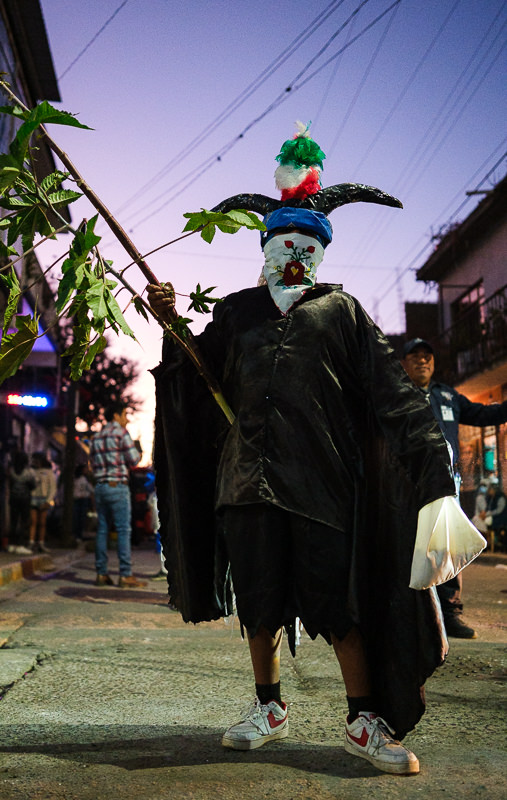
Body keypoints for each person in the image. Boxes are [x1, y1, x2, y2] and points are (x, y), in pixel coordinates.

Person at [147, 124, 473, 776]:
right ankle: (267, 705)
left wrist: (435, 481)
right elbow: (192, 375)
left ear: (318, 252)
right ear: (264, 246)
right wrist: (171, 322)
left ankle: (362, 721)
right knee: (258, 603)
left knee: (337, 604)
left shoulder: (342, 313)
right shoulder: (236, 314)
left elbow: (394, 400)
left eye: (304, 243)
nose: (292, 252)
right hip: (243, 482)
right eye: (281, 241)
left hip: (319, 482)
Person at [401, 337, 507, 637]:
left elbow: (484, 414)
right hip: (407, 484)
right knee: (409, 545)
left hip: (447, 484)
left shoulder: (447, 395)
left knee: (447, 547)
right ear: (404, 363)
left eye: (427, 356)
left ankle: (450, 614)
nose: (422, 361)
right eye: (415, 356)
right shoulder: (394, 394)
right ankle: (409, 616)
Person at [89, 401, 146, 587]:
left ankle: (101, 573)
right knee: (123, 530)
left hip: (100, 487)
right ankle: (125, 575)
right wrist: (139, 451)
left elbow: (93, 465)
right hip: (118, 486)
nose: (126, 419)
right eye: (124, 415)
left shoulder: (96, 437)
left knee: (102, 529)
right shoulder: (121, 433)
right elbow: (134, 460)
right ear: (115, 415)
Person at [7, 451, 36, 555]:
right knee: (24, 522)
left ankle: (11, 544)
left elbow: (10, 484)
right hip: (25, 499)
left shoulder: (11, 471)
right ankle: (21, 544)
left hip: (13, 498)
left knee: (13, 522)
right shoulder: (29, 472)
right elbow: (33, 486)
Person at [28, 452, 57, 553]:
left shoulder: (48, 472)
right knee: (33, 521)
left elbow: (52, 487)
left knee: (42, 522)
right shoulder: (31, 471)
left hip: (43, 498)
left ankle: (41, 543)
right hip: (33, 498)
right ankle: (31, 542)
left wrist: (48, 500)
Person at [72, 463, 93, 544]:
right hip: (77, 499)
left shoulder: (85, 479)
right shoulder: (75, 479)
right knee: (76, 517)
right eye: (85, 469)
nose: (86, 471)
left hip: (84, 499)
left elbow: (90, 490)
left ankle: (79, 535)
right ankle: (77, 535)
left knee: (82, 518)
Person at [484, 482, 507, 551]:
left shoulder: (500, 497)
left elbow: (499, 510)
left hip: (500, 518)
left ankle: (490, 543)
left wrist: (488, 514)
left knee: (485, 522)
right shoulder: (491, 498)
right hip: (492, 516)